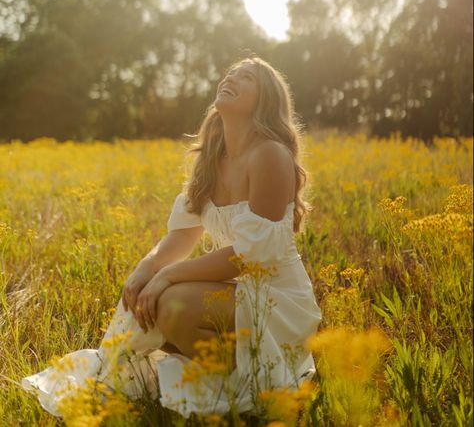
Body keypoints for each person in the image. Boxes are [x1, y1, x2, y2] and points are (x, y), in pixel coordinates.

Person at [22, 56, 322, 418]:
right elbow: (178, 241)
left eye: (247, 78)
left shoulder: (270, 154)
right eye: (230, 73)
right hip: (238, 287)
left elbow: (252, 256)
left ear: (266, 100)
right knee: (150, 298)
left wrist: (166, 275)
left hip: (275, 297)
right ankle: (215, 374)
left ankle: (259, 380)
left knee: (172, 301)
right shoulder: (213, 160)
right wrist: (146, 268)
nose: (231, 78)